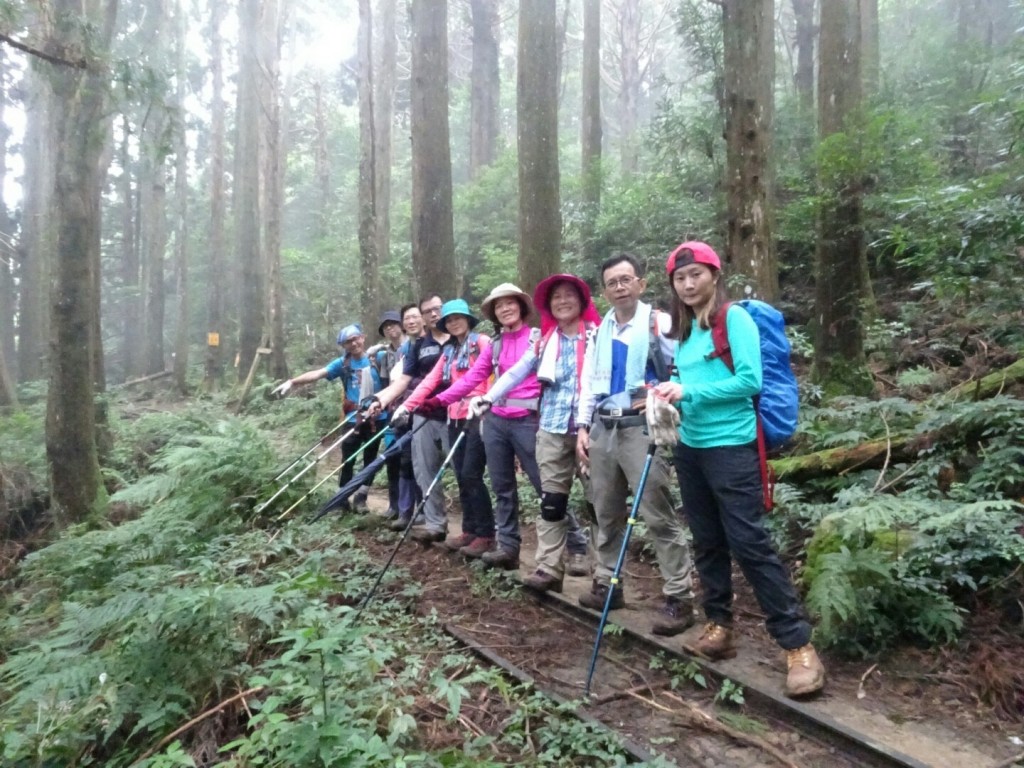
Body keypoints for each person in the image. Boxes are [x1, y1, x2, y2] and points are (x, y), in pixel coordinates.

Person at [652, 241, 825, 697]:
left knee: (750, 543)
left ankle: (798, 646)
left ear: (714, 275)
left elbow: (750, 381)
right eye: (680, 278)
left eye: (696, 275)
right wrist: (668, 401)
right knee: (707, 542)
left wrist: (688, 394)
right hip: (691, 448)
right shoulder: (685, 332)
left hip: (732, 448)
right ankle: (719, 628)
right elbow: (693, 383)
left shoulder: (736, 319)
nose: (688, 285)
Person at [575, 253, 697, 636]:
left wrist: (659, 395)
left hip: (642, 428)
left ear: (641, 284)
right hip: (603, 427)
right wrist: (582, 427)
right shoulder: (601, 330)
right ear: (605, 291)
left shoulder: (659, 323)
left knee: (656, 511)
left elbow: (683, 367)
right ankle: (607, 583)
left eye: (626, 279)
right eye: (612, 282)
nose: (620, 287)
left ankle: (679, 596)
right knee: (604, 511)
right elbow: (588, 382)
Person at [471, 274, 600, 589]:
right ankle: (549, 569)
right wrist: (488, 396)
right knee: (550, 502)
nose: (562, 301)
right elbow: (516, 372)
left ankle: (605, 574)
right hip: (553, 427)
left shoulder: (597, 336)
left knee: (598, 502)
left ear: (582, 300)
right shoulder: (545, 341)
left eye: (569, 295)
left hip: (591, 430)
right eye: (556, 297)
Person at [425, 284, 543, 569]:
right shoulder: (496, 344)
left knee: (546, 486)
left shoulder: (537, 338)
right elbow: (469, 379)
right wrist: (439, 400)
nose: (505, 309)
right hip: (495, 420)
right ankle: (508, 546)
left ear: (521, 306)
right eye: (498, 305)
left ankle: (575, 545)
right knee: (503, 487)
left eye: (510, 303)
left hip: (528, 420)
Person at [394, 299, 495, 550]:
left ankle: (486, 533)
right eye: (449, 320)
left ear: (468, 319)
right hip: (454, 415)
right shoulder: (449, 351)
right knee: (461, 474)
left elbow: (494, 373)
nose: (454, 322)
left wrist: (488, 399)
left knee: (472, 473)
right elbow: (429, 381)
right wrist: (409, 406)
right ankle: (470, 530)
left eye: (458, 317)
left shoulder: (481, 342)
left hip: (479, 415)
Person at [272, 323, 387, 512]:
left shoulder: (379, 357)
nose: (353, 344)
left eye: (356, 339)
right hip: (353, 418)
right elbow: (318, 373)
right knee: (348, 459)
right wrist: (293, 381)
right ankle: (342, 498)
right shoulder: (342, 363)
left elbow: (402, 365)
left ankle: (361, 497)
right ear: (344, 346)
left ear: (363, 337)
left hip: (378, 417)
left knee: (371, 459)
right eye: (348, 342)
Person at [369, 295, 449, 533]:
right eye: (428, 311)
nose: (433, 314)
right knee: (424, 469)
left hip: (456, 413)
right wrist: (380, 400)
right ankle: (435, 524)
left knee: (465, 471)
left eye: (437, 309)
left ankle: (477, 530)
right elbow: (403, 380)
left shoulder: (458, 341)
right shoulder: (417, 347)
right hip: (423, 412)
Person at [369, 310, 408, 519]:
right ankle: (394, 505)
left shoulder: (412, 346)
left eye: (393, 324)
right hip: (392, 411)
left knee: (410, 461)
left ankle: (411, 508)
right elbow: (386, 384)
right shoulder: (385, 355)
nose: (390, 329)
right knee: (392, 458)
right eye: (385, 327)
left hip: (411, 408)